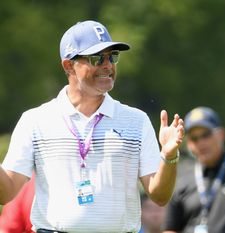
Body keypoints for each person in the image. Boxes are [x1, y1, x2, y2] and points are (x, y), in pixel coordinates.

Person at [0, 20, 184, 233]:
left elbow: (160, 196)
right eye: (97, 58)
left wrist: (169, 157)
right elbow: (6, 192)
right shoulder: (35, 120)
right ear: (69, 65)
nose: (107, 65)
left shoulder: (137, 120)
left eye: (112, 57)